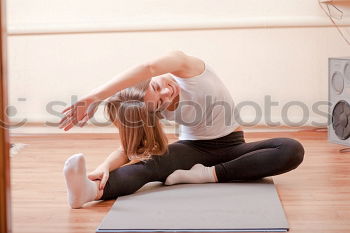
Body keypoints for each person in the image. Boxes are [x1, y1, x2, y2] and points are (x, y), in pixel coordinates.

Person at [59, 50, 305, 209]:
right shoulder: (149, 108)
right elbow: (131, 148)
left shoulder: (189, 70)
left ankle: (208, 175)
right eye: (160, 102)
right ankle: (88, 192)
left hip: (233, 146)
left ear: (151, 78)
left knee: (290, 149)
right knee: (149, 165)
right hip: (193, 149)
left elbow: (148, 66)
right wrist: (104, 167)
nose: (167, 92)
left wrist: (94, 97)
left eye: (157, 87)